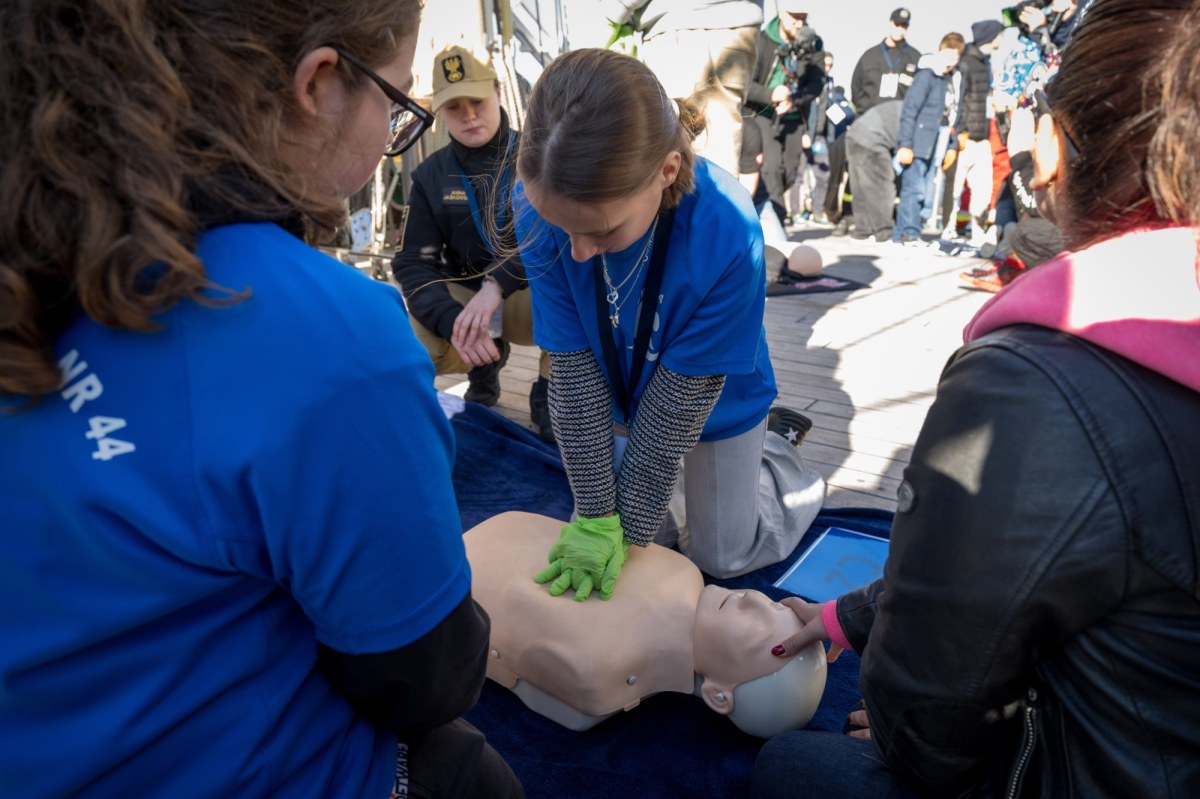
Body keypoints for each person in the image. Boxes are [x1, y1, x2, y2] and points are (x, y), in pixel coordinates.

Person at [0, 2, 522, 797]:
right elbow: (427, 678)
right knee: (477, 775)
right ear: (317, 83)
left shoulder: (38, 222)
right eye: (400, 104)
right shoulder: (334, 342)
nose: (398, 132)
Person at [753, 1, 1200, 796]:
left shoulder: (1036, 382)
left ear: (1052, 145)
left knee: (792, 767)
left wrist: (909, 732)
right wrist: (838, 619)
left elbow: (932, 705)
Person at [510, 49, 827, 588]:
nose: (579, 253)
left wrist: (626, 526)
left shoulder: (728, 225)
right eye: (562, 228)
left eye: (603, 232)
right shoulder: (538, 198)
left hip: (714, 399)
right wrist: (594, 515)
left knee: (721, 557)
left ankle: (777, 461)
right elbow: (573, 369)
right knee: (637, 547)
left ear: (667, 171)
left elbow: (680, 399)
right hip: (615, 393)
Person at [464, 511, 827, 737]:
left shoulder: (604, 668)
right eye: (776, 607)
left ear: (718, 695)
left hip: (455, 577)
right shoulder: (685, 573)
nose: (753, 599)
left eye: (758, 629)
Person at [391, 42, 553, 442]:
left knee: (581, 290)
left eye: (477, 101)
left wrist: (497, 285)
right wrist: (450, 319)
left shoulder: (542, 156)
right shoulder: (429, 175)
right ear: (439, 112)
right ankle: (482, 368)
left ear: (498, 92)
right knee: (409, 334)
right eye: (453, 107)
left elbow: (556, 236)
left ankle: (551, 389)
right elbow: (413, 263)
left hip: (535, 298)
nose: (468, 116)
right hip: (469, 298)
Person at [745, 2, 826, 228]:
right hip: (762, 115)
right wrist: (770, 94)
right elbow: (745, 84)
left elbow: (816, 85)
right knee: (771, 170)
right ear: (782, 13)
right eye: (794, 17)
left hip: (793, 119)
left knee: (790, 173)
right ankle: (776, 227)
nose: (799, 23)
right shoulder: (760, 40)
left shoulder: (812, 44)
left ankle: (771, 218)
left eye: (803, 17)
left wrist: (794, 99)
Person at [892, 35, 964, 244]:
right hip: (919, 139)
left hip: (938, 140)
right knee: (914, 188)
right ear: (940, 51)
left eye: (955, 56)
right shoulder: (927, 75)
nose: (951, 60)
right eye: (947, 54)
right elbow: (910, 109)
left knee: (926, 188)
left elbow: (952, 116)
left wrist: (951, 144)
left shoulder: (953, 80)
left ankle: (906, 232)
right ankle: (908, 232)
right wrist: (905, 143)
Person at [951, 20, 1006, 246]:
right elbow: (960, 99)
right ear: (991, 37)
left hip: (982, 136)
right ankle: (950, 228)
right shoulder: (966, 63)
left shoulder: (985, 63)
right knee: (954, 188)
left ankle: (977, 232)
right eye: (999, 35)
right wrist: (960, 131)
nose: (1002, 40)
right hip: (965, 136)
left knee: (982, 190)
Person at [843, 100, 904, 242]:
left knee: (861, 186)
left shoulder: (903, 105)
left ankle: (862, 231)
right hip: (873, 139)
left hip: (854, 134)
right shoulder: (917, 113)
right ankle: (884, 233)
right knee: (882, 185)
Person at [850, 7, 922, 115]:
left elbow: (920, 91)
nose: (899, 29)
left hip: (899, 120)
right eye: (897, 24)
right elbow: (856, 88)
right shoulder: (869, 55)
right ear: (890, 22)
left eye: (904, 26)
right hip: (869, 117)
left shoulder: (915, 57)